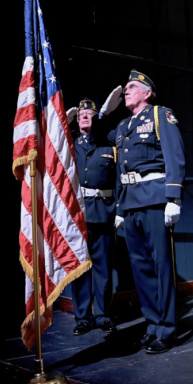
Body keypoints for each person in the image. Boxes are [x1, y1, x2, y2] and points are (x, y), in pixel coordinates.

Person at [109, 70, 185, 354]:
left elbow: (174, 154)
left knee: (161, 266)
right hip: (130, 203)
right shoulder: (123, 126)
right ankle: (153, 324)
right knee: (140, 269)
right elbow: (120, 168)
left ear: (147, 92)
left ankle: (167, 329)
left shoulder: (159, 115)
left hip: (154, 198)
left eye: (130, 87)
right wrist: (119, 206)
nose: (126, 91)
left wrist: (173, 197)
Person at [66, 87, 122, 335]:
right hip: (79, 215)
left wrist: (119, 209)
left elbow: (120, 175)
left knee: (102, 266)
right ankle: (82, 317)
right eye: (80, 116)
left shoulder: (108, 141)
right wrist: (64, 121)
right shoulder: (71, 143)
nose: (84, 118)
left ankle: (101, 313)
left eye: (88, 115)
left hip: (104, 211)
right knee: (79, 267)